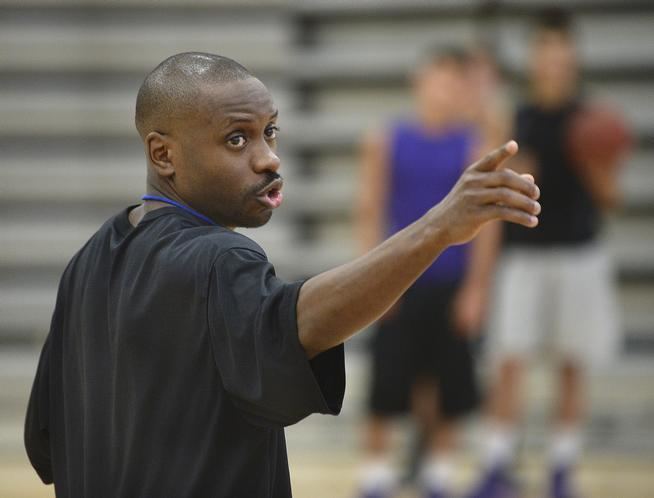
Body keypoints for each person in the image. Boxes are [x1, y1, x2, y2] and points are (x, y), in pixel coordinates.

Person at [24, 52, 541, 498]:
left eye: (268, 132)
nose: (268, 158)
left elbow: (44, 443)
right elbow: (301, 323)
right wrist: (438, 228)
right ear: (164, 154)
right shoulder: (222, 259)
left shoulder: (89, 259)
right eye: (236, 140)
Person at [468, 10, 621, 498]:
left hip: (579, 255)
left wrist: (594, 163)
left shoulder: (592, 119)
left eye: (562, 50)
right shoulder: (513, 117)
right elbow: (491, 199)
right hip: (522, 257)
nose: (554, 59)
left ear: (573, 56)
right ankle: (496, 465)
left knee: (573, 364)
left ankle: (561, 468)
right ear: (535, 56)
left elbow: (610, 199)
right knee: (508, 362)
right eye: (546, 50)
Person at [355, 47, 502, 498]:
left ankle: (439, 475)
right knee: (387, 382)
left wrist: (477, 290)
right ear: (419, 83)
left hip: (450, 281)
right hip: (398, 277)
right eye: (436, 79)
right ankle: (375, 477)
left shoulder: (475, 144)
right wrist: (370, 282)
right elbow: (370, 210)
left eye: (452, 81)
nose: (443, 89)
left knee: (450, 383)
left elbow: (487, 226)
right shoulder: (386, 139)